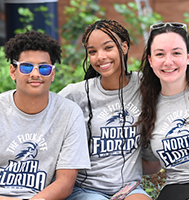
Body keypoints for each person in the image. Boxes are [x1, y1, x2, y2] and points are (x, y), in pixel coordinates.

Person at [59, 19, 160, 200]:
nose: (100, 57)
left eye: (108, 48)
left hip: (129, 187)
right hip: (86, 189)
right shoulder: (76, 94)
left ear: (124, 47)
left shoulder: (145, 86)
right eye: (92, 51)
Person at [0, 30, 90, 200]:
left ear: (53, 74)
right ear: (13, 71)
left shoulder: (69, 113)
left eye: (44, 68)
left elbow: (65, 183)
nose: (35, 74)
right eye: (26, 67)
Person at [137, 22, 189, 200]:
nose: (168, 61)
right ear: (150, 60)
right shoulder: (147, 104)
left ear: (188, 57)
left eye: (176, 53)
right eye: (160, 54)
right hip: (178, 187)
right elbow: (151, 164)